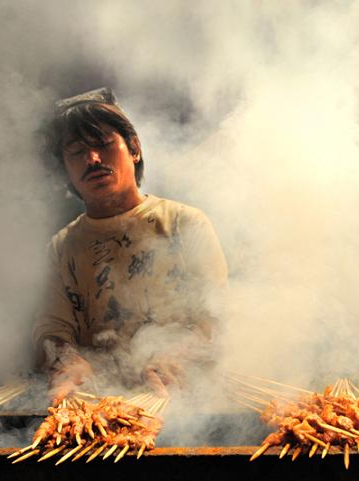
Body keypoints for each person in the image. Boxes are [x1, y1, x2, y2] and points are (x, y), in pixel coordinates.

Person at [33, 88, 228, 402]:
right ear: (66, 170)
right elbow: (52, 330)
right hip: (99, 408)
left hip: (185, 403)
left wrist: (179, 353)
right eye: (76, 151)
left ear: (134, 148)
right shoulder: (62, 246)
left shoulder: (184, 223)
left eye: (104, 144)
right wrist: (67, 361)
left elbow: (216, 317)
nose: (92, 159)